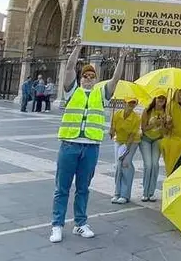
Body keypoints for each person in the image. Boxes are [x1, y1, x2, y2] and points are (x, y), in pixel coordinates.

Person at [49, 44, 128, 244]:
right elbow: (69, 68)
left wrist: (122, 58)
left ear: (96, 79)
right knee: (62, 188)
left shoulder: (101, 94)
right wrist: (77, 48)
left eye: (92, 76)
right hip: (70, 145)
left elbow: (116, 79)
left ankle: (80, 223)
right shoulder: (71, 91)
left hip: (91, 147)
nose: (89, 78)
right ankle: (57, 225)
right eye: (86, 76)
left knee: (83, 188)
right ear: (81, 77)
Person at [139, 92, 171, 202]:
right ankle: (145, 192)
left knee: (155, 165)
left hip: (158, 140)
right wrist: (154, 124)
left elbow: (165, 132)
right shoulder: (147, 111)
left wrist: (163, 124)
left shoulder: (166, 113)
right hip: (146, 139)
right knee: (148, 165)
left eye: (163, 98)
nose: (161, 100)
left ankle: (151, 192)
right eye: (159, 98)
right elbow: (143, 128)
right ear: (155, 99)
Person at [110, 97, 141, 204]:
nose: (131, 105)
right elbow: (113, 132)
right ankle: (117, 193)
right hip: (119, 140)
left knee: (125, 163)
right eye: (129, 103)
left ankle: (125, 195)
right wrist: (111, 131)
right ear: (124, 103)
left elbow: (132, 135)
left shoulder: (136, 117)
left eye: (133, 103)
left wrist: (125, 149)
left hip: (132, 142)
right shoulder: (117, 114)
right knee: (118, 165)